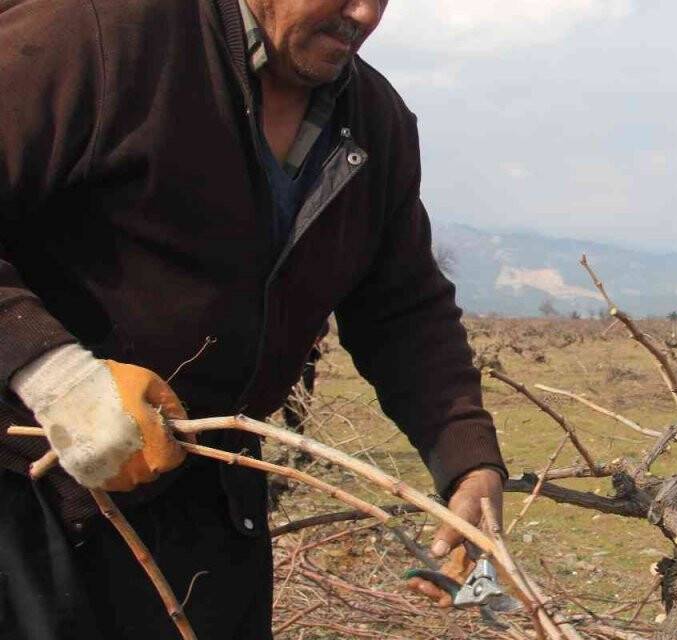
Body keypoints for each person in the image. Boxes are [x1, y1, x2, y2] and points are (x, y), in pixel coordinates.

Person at [0, 1, 506, 637]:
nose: (363, 13)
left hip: (211, 516)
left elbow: (402, 309)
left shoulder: (375, 123)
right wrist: (57, 379)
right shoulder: (96, 35)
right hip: (27, 498)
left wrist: (468, 459)